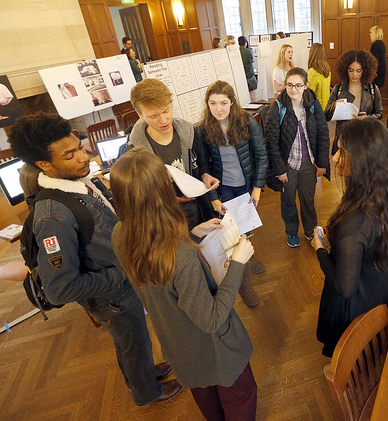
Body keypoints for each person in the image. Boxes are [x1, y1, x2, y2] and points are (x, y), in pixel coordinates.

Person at [8, 112, 181, 406]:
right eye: (70, 154)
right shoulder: (53, 216)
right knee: (132, 340)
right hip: (111, 297)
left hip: (121, 287)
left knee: (131, 341)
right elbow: (60, 289)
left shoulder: (85, 181)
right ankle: (146, 393)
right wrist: (123, 273)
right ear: (45, 165)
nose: (84, 156)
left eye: (80, 146)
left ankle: (141, 375)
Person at [110, 148, 257, 421]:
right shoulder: (179, 253)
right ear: (162, 192)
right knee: (240, 399)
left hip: (180, 347)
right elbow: (212, 319)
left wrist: (193, 233)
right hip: (216, 350)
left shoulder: (121, 233)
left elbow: (158, 271)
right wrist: (237, 262)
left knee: (209, 403)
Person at [312, 117, 388, 357]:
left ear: (364, 160)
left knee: (350, 352)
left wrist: (319, 249)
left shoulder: (356, 224)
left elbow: (345, 287)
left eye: (342, 151)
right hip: (382, 285)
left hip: (358, 304)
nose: (335, 157)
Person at [195, 80, 267, 307]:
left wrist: (257, 186)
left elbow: (261, 157)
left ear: (232, 102)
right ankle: (244, 284)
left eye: (223, 103)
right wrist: (213, 198)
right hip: (223, 189)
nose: (218, 108)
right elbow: (203, 168)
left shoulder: (246, 121)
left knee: (245, 226)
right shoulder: (203, 128)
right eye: (213, 103)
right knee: (232, 234)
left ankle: (249, 253)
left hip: (245, 185)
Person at [126, 78, 215, 229]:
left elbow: (202, 163)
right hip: (165, 221)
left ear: (172, 104)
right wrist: (165, 198)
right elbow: (137, 196)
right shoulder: (133, 151)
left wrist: (205, 174)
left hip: (199, 211)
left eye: (166, 110)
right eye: (153, 116)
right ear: (140, 115)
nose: (163, 120)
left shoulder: (190, 132)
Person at [264, 67, 330, 248]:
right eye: (290, 85)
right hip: (288, 166)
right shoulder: (277, 108)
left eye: (298, 85)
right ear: (285, 85)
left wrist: (322, 162)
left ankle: (310, 231)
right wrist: (280, 170)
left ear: (306, 86)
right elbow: (271, 143)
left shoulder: (312, 104)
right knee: (288, 201)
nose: (294, 89)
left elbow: (323, 133)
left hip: (308, 163)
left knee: (308, 199)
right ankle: (292, 232)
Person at [325, 49, 383, 156]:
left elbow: (379, 113)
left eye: (358, 71)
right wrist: (334, 106)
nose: (354, 74)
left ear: (365, 70)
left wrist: (367, 118)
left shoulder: (372, 89)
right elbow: (326, 115)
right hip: (344, 137)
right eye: (351, 70)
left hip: (365, 136)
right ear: (345, 70)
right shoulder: (338, 89)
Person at [307, 43, 331, 110]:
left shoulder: (313, 71)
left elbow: (310, 93)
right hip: (327, 105)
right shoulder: (327, 70)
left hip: (317, 108)